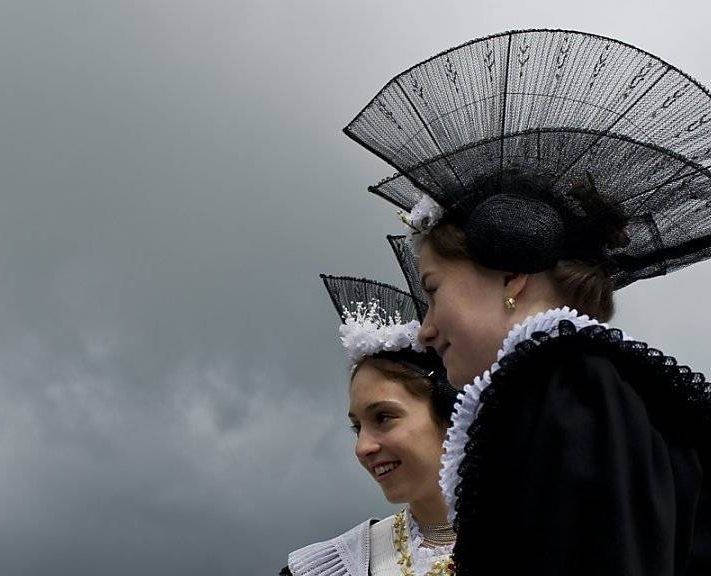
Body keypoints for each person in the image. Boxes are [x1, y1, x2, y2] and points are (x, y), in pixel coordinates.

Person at [345, 29, 711, 575]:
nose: (424, 329)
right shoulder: (584, 386)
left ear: (512, 276)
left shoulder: (565, 389)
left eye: (433, 290)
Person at [282, 272, 457, 576]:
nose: (363, 447)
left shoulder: (553, 540)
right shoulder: (342, 565)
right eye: (357, 427)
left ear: (452, 412)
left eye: (384, 417)